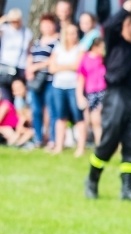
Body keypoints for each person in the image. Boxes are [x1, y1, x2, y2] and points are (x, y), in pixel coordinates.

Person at [84, 0, 131, 201]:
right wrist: (125, 10)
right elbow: (109, 26)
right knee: (109, 140)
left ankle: (128, 189)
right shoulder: (115, 42)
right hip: (116, 96)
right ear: (127, 24)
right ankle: (92, 180)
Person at [49, 24, 86, 156]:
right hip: (58, 86)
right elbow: (52, 68)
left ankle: (81, 147)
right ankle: (59, 146)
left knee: (78, 117)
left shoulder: (80, 48)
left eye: (74, 33)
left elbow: (78, 66)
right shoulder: (58, 48)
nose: (72, 36)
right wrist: (69, 66)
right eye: (70, 33)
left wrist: (61, 66)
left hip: (74, 86)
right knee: (60, 117)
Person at [25, 14, 59, 148]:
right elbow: (30, 57)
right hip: (35, 81)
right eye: (44, 24)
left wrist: (37, 66)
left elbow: (53, 59)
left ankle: (52, 139)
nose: (46, 27)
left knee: (51, 110)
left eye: (49, 24)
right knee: (36, 110)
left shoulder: (57, 41)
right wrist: (29, 70)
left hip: (49, 80)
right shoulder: (37, 42)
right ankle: (38, 138)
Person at [76, 37, 106, 147]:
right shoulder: (86, 59)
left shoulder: (104, 59)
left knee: (100, 118)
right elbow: (81, 78)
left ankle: (102, 144)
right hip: (92, 92)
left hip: (104, 91)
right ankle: (98, 144)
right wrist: (79, 95)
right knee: (93, 120)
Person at [0, 8, 32, 101]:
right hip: (5, 67)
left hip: (20, 68)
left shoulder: (27, 33)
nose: (14, 23)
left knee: (18, 97)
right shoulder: (5, 29)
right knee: (5, 97)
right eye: (12, 21)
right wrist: (3, 19)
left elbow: (29, 52)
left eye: (16, 21)